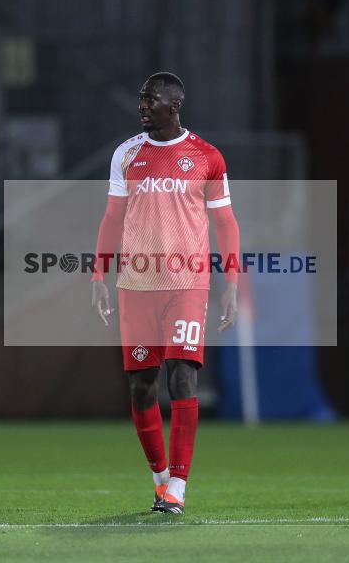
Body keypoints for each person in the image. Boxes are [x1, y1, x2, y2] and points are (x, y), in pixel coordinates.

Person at [91, 72, 240, 514]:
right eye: (141, 98)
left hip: (188, 282)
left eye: (149, 99)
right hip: (136, 284)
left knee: (182, 374)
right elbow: (112, 219)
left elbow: (225, 222)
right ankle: (159, 478)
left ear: (174, 105)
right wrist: (98, 276)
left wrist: (232, 281)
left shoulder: (207, 157)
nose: (141, 105)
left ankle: (178, 485)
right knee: (142, 387)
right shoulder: (126, 154)